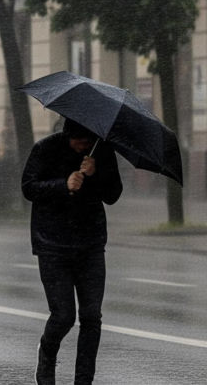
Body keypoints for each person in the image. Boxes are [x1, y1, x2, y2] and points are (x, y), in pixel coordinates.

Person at [21, 118, 123, 385]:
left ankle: (84, 380)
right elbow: (29, 188)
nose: (83, 146)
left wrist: (96, 173)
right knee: (64, 315)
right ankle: (47, 356)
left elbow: (113, 194)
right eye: (79, 141)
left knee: (91, 316)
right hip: (52, 245)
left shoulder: (102, 151)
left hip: (90, 244)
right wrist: (63, 185)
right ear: (68, 135)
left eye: (88, 141)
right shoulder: (45, 149)